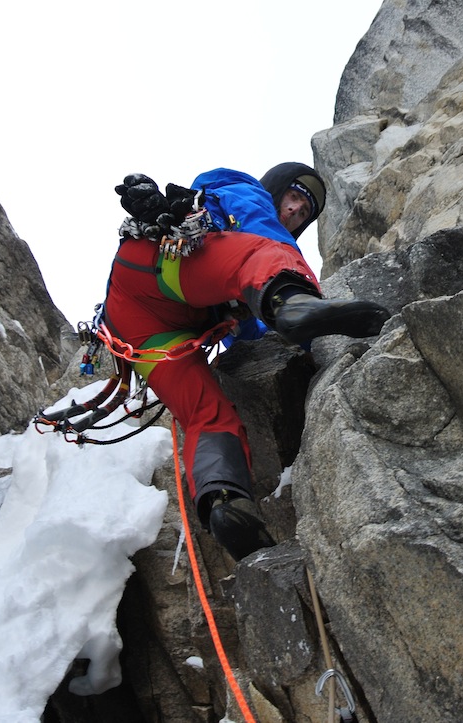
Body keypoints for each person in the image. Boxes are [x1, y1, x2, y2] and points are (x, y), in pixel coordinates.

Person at [102, 163, 389, 561]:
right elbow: (259, 242)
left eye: (304, 212)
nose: (293, 211)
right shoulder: (242, 191)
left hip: (137, 322)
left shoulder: (221, 222)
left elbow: (252, 332)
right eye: (292, 197)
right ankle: (291, 298)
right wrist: (298, 309)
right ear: (273, 188)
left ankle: (225, 502)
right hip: (170, 264)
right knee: (267, 253)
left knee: (206, 415)